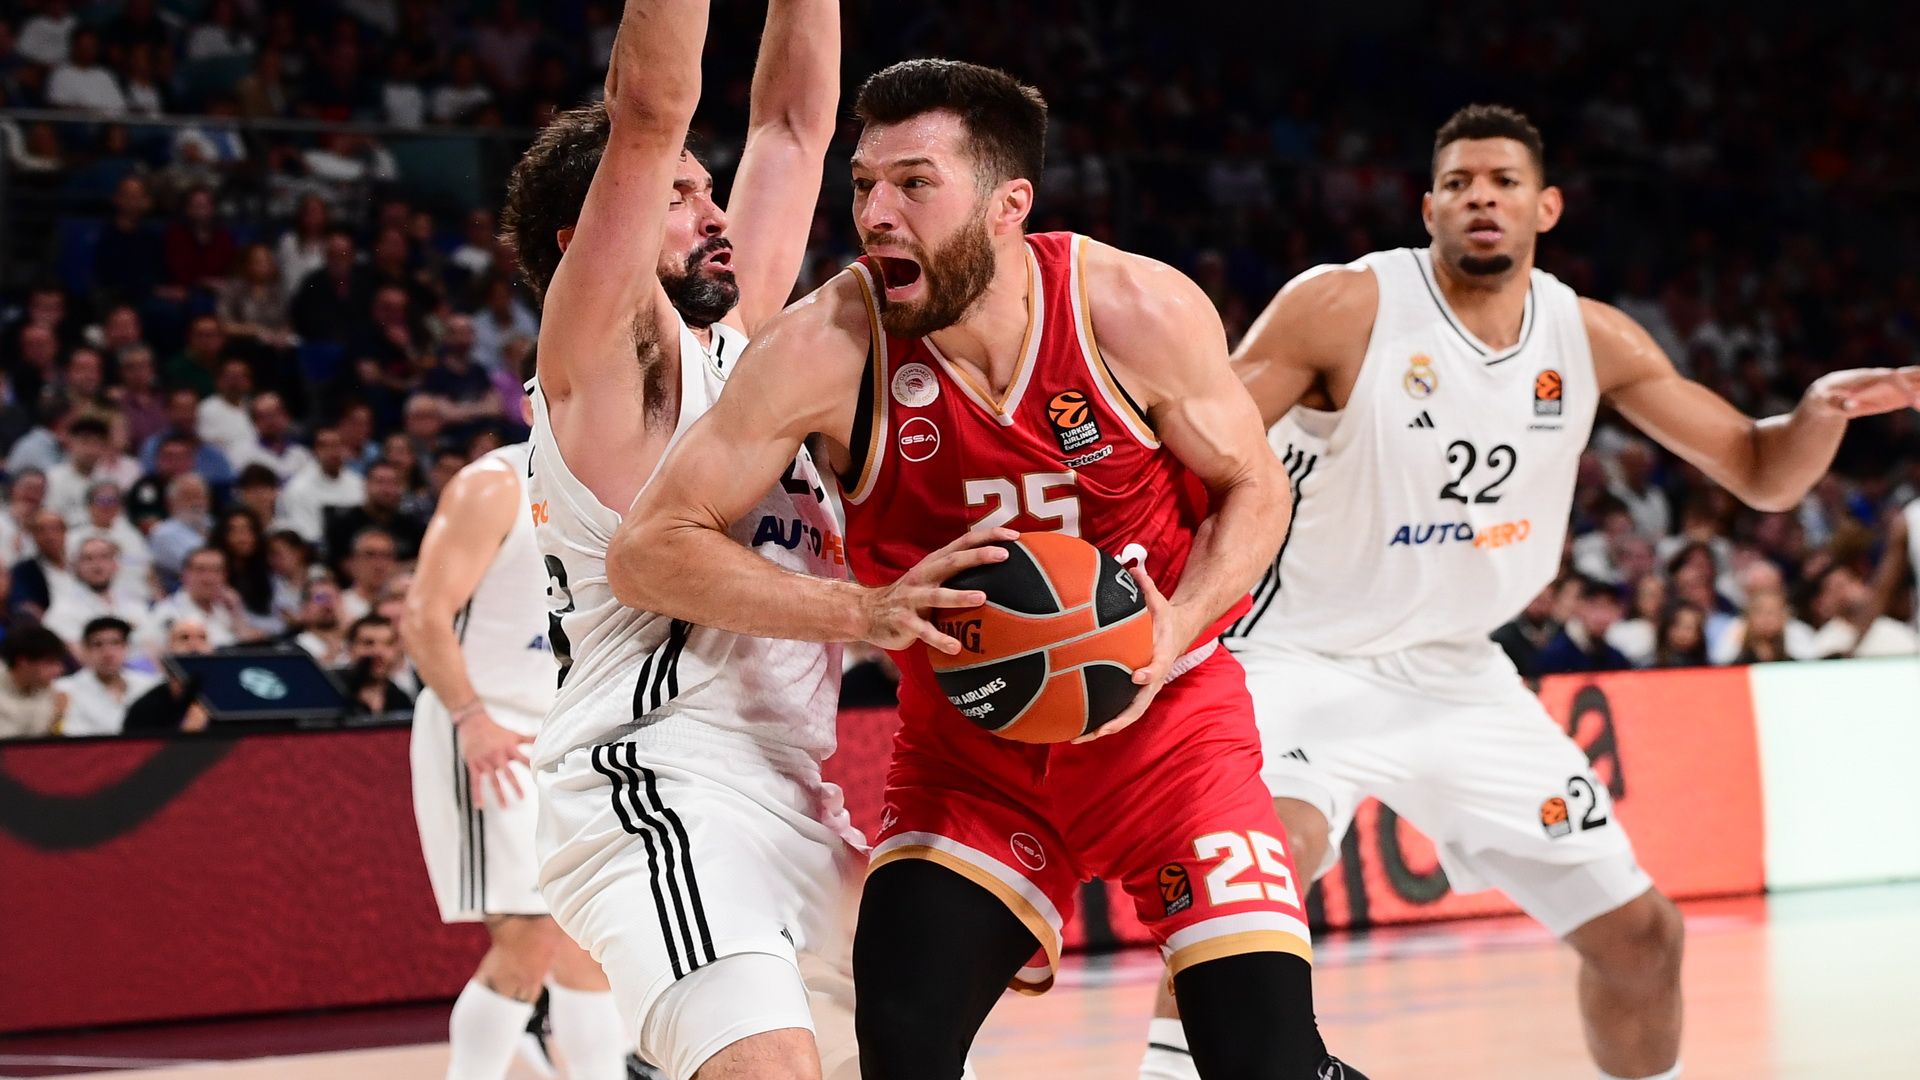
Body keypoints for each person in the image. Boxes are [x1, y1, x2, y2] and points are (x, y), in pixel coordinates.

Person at [614, 58, 1338, 1080]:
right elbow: (648, 549)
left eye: (915, 183)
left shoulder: (1132, 306)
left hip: (1169, 732)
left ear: (1009, 205)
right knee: (901, 1046)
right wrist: (861, 610)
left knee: (1266, 1065)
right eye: (864, 184)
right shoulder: (827, 345)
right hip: (972, 759)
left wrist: (1179, 621)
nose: (877, 213)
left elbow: (1256, 486)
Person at [1200, 103, 1920, 1080]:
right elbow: (1198, 444)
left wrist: (1821, 410)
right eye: (1458, 183)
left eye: (1503, 182)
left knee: (1644, 939)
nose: (1481, 198)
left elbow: (1761, 471)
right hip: (1294, 656)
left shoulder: (1591, 337)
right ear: (1428, 208)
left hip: (1458, 673)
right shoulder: (1343, 305)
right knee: (1259, 873)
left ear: (1546, 207)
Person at [501, 1, 860, 1076]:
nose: (714, 212)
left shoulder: (741, 356)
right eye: (678, 196)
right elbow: (651, 109)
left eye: (710, 190)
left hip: (795, 792)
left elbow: (793, 125)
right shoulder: (605, 364)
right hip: (661, 775)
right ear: (588, 244)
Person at [404, 429, 626, 1080]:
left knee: (585, 938)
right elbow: (423, 615)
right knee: (529, 935)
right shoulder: (493, 485)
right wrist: (470, 717)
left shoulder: (621, 486)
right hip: (488, 724)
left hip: (569, 731)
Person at [139, 547, 254, 657]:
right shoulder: (166, 612)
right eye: (200, 570)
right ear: (184, 575)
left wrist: (236, 613)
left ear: (225, 576)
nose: (208, 578)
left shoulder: (226, 609)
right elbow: (150, 656)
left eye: (216, 570)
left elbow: (246, 646)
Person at [55, 616, 158, 737]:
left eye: (115, 643)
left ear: (126, 648)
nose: (108, 653)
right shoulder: (65, 689)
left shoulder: (150, 685)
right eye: (98, 644)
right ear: (85, 650)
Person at [43, 536, 147, 649]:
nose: (97, 565)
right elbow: (77, 652)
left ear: (116, 565)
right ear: (75, 566)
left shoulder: (133, 602)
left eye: (104, 557)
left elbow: (151, 640)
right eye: (88, 559)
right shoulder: (63, 609)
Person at [280, 425, 366, 544]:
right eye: (325, 446)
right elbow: (306, 535)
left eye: (337, 445)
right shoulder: (298, 489)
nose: (333, 452)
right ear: (314, 451)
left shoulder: (359, 483)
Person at [1536, 576, 1634, 674]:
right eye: (1595, 606)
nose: (1601, 616)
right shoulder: (1555, 655)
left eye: (1608, 607)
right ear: (1579, 606)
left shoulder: (1616, 659)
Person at [0, 627, 70, 739]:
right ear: (23, 663)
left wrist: (58, 719)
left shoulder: (53, 694)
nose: (59, 670)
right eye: (50, 662)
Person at [336, 614, 412, 715]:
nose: (378, 652)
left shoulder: (401, 700)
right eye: (368, 643)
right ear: (350, 649)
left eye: (388, 643)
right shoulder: (331, 687)